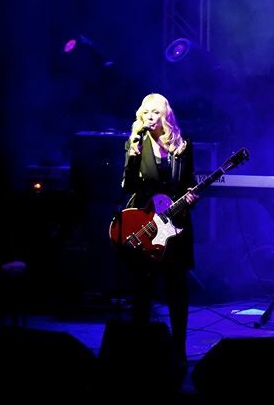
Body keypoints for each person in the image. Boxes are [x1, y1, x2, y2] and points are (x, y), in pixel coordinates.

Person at [119, 92, 198, 368]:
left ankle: (179, 350)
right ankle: (139, 353)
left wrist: (192, 197)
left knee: (177, 291)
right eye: (146, 112)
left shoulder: (183, 146)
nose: (150, 117)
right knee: (143, 291)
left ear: (165, 115)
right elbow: (128, 186)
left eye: (155, 112)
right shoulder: (135, 144)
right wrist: (132, 156)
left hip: (175, 225)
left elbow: (189, 183)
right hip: (146, 224)